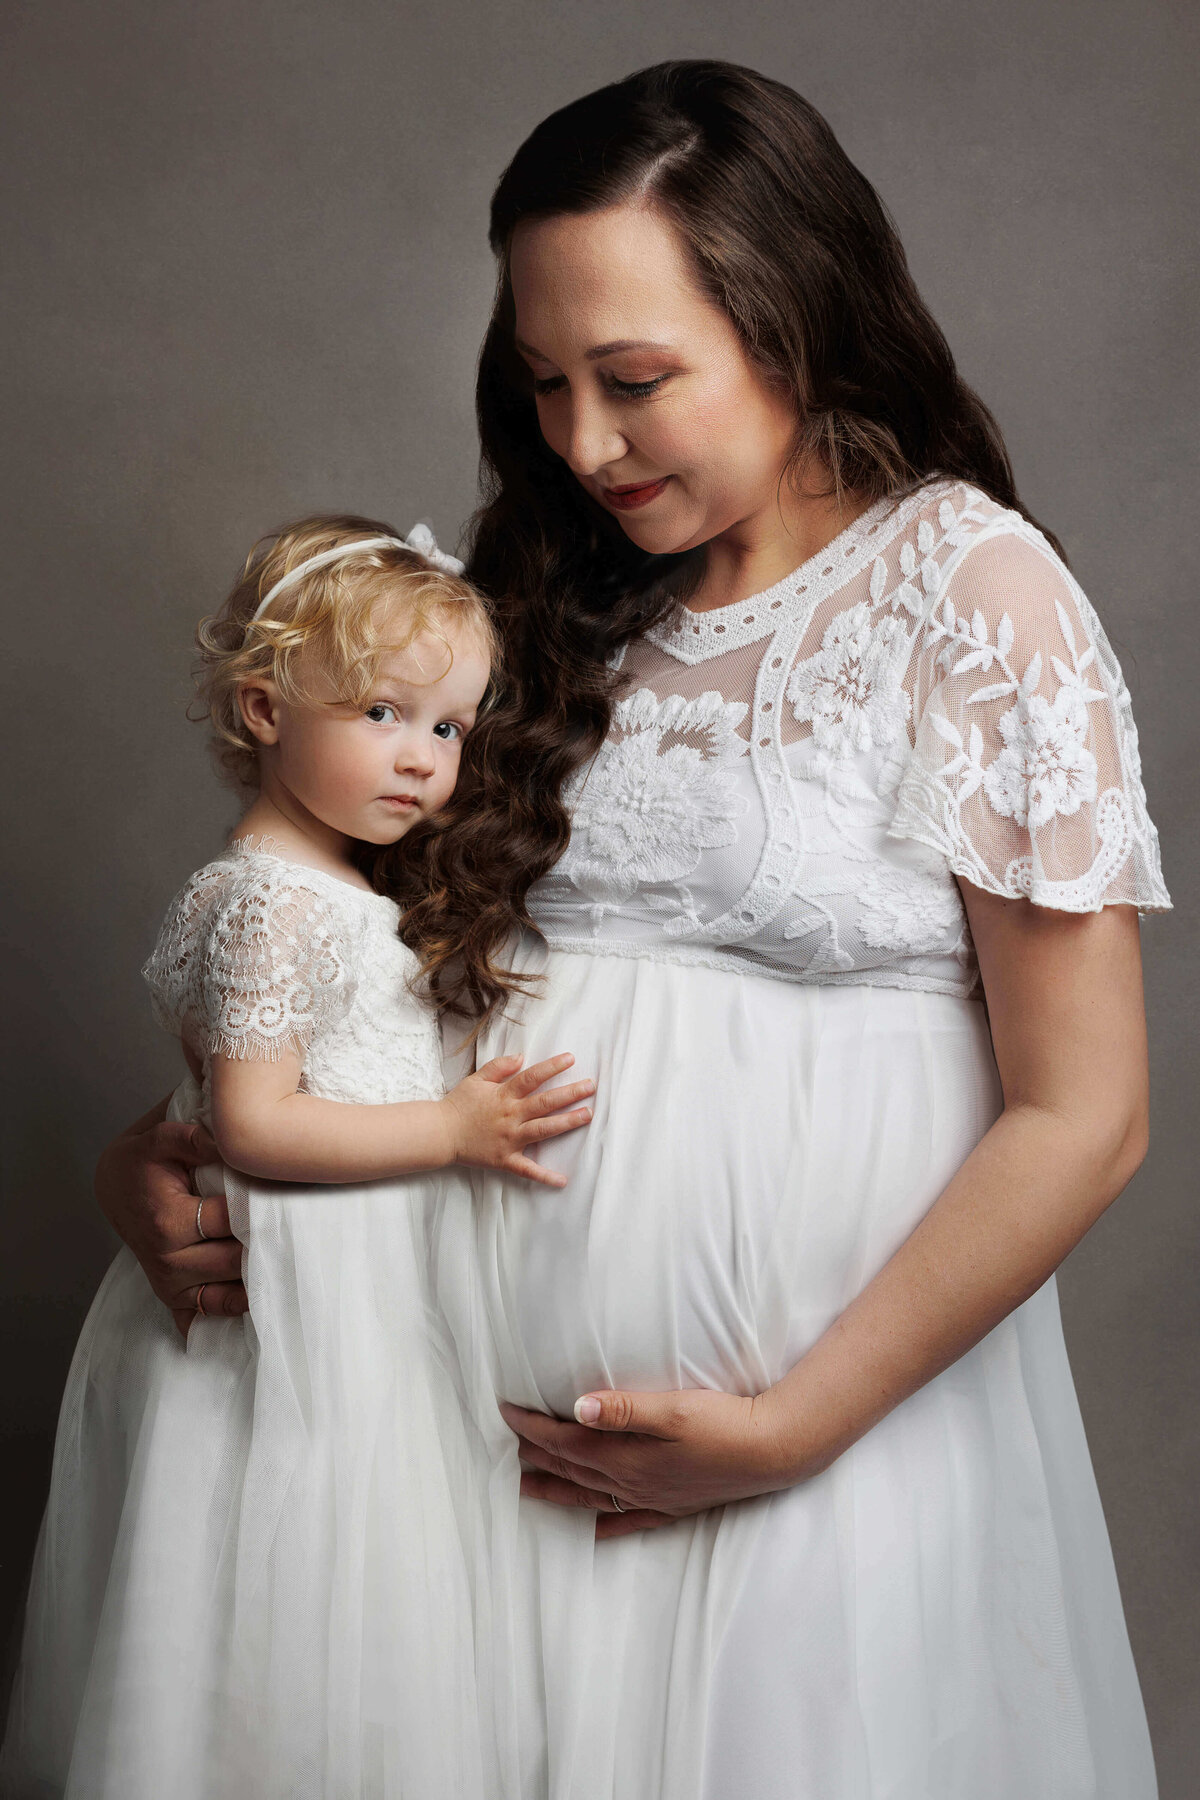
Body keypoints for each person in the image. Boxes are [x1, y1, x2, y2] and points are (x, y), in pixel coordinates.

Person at [93, 61, 1172, 1800]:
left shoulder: (968, 590)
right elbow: (358, 971)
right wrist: (172, 1154)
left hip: (822, 1463)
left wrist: (791, 1429)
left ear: (799, 322)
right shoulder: (541, 604)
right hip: (469, 1482)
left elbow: (1086, 1110)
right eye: (542, 385)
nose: (579, 442)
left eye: (635, 380)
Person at [0, 517, 594, 1798]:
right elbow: (256, 1123)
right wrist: (453, 1126)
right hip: (306, 1310)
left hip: (365, 1291)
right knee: (284, 1577)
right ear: (266, 708)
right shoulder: (272, 899)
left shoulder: (327, 883)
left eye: (448, 728)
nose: (423, 761)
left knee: (357, 1589)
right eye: (384, 712)